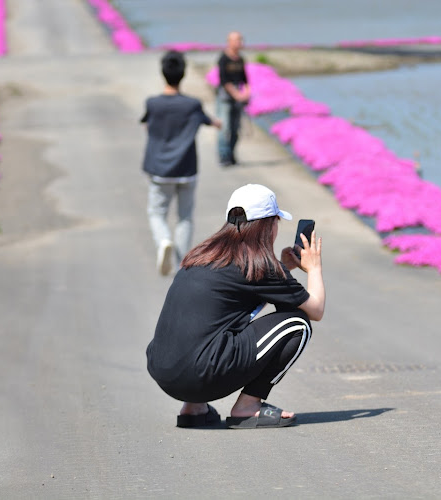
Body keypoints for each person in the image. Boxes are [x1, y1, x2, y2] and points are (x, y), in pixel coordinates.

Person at [146, 184, 326, 429]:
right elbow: (315, 310)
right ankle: (247, 407)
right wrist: (314, 268)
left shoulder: (203, 255)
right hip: (199, 374)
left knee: (206, 326)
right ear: (268, 226)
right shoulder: (260, 267)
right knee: (297, 324)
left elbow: (235, 301)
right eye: (275, 222)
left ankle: (194, 408)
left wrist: (284, 269)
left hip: (164, 371)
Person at [140, 50, 222, 276]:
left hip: (159, 169)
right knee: (185, 216)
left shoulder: (153, 103)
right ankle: (181, 264)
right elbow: (207, 120)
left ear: (163, 73)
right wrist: (217, 123)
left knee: (157, 213)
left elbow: (147, 124)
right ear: (183, 74)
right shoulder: (192, 105)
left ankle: (164, 240)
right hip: (186, 169)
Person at [216, 31, 250, 167]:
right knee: (225, 128)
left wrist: (247, 92)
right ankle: (224, 156)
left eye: (240, 40)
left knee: (236, 128)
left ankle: (231, 154)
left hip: (237, 97)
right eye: (236, 40)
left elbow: (245, 79)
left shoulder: (241, 59)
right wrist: (238, 95)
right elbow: (224, 81)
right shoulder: (223, 59)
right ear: (229, 42)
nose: (239, 43)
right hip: (225, 97)